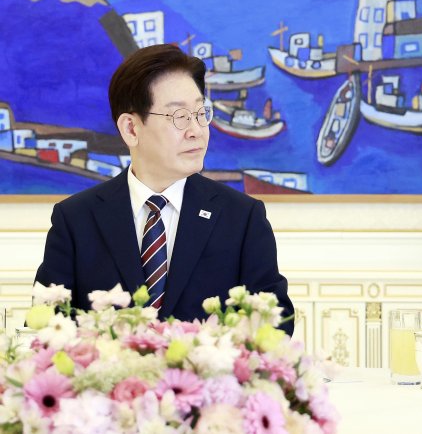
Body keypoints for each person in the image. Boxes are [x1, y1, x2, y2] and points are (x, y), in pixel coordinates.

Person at [35, 44, 294, 334]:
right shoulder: (76, 219)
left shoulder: (241, 217)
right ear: (131, 128)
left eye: (201, 113)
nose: (196, 130)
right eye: (179, 117)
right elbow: (45, 327)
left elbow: (277, 322)